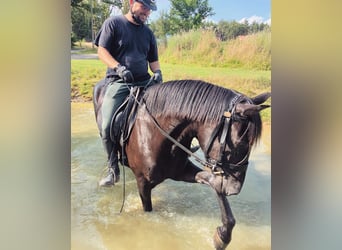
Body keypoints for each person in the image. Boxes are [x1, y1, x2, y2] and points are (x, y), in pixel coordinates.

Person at [94, 0, 162, 187]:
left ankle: (170, 155)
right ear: (132, 2)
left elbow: (153, 60)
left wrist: (157, 73)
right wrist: (119, 67)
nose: (147, 13)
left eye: (150, 10)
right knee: (106, 125)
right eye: (144, 7)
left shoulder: (148, 33)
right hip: (119, 81)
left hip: (145, 81)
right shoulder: (113, 23)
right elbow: (102, 51)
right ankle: (112, 169)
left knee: (168, 115)